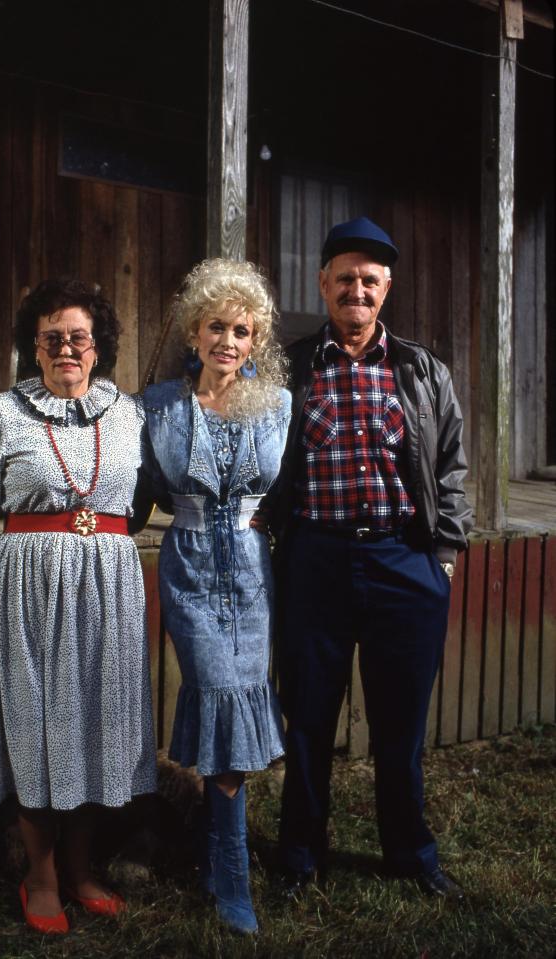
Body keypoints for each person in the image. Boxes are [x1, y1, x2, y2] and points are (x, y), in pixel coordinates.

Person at [0, 278, 157, 934]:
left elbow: (141, 495)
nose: (67, 348)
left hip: (109, 591)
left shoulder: (130, 414)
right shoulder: (2, 415)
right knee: (39, 725)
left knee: (94, 721)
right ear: (33, 348)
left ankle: (82, 865)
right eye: (52, 338)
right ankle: (39, 874)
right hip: (28, 596)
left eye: (79, 338)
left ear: (98, 348)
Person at [272, 217, 473, 900]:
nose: (356, 290)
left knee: (400, 725)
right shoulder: (291, 368)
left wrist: (440, 557)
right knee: (308, 720)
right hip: (315, 563)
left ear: (385, 289)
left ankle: (411, 854)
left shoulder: (420, 370)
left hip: (403, 561)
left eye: (370, 280)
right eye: (345, 278)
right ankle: (300, 857)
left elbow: (451, 468)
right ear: (323, 284)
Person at [141, 258, 291, 934]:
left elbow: (295, 492)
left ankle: (220, 859)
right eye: (215, 327)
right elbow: (136, 487)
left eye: (241, 329)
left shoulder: (279, 404)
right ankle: (230, 870)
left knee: (238, 705)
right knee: (216, 695)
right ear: (193, 332)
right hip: (191, 569)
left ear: (255, 337)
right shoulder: (160, 406)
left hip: (252, 573)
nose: (228, 341)